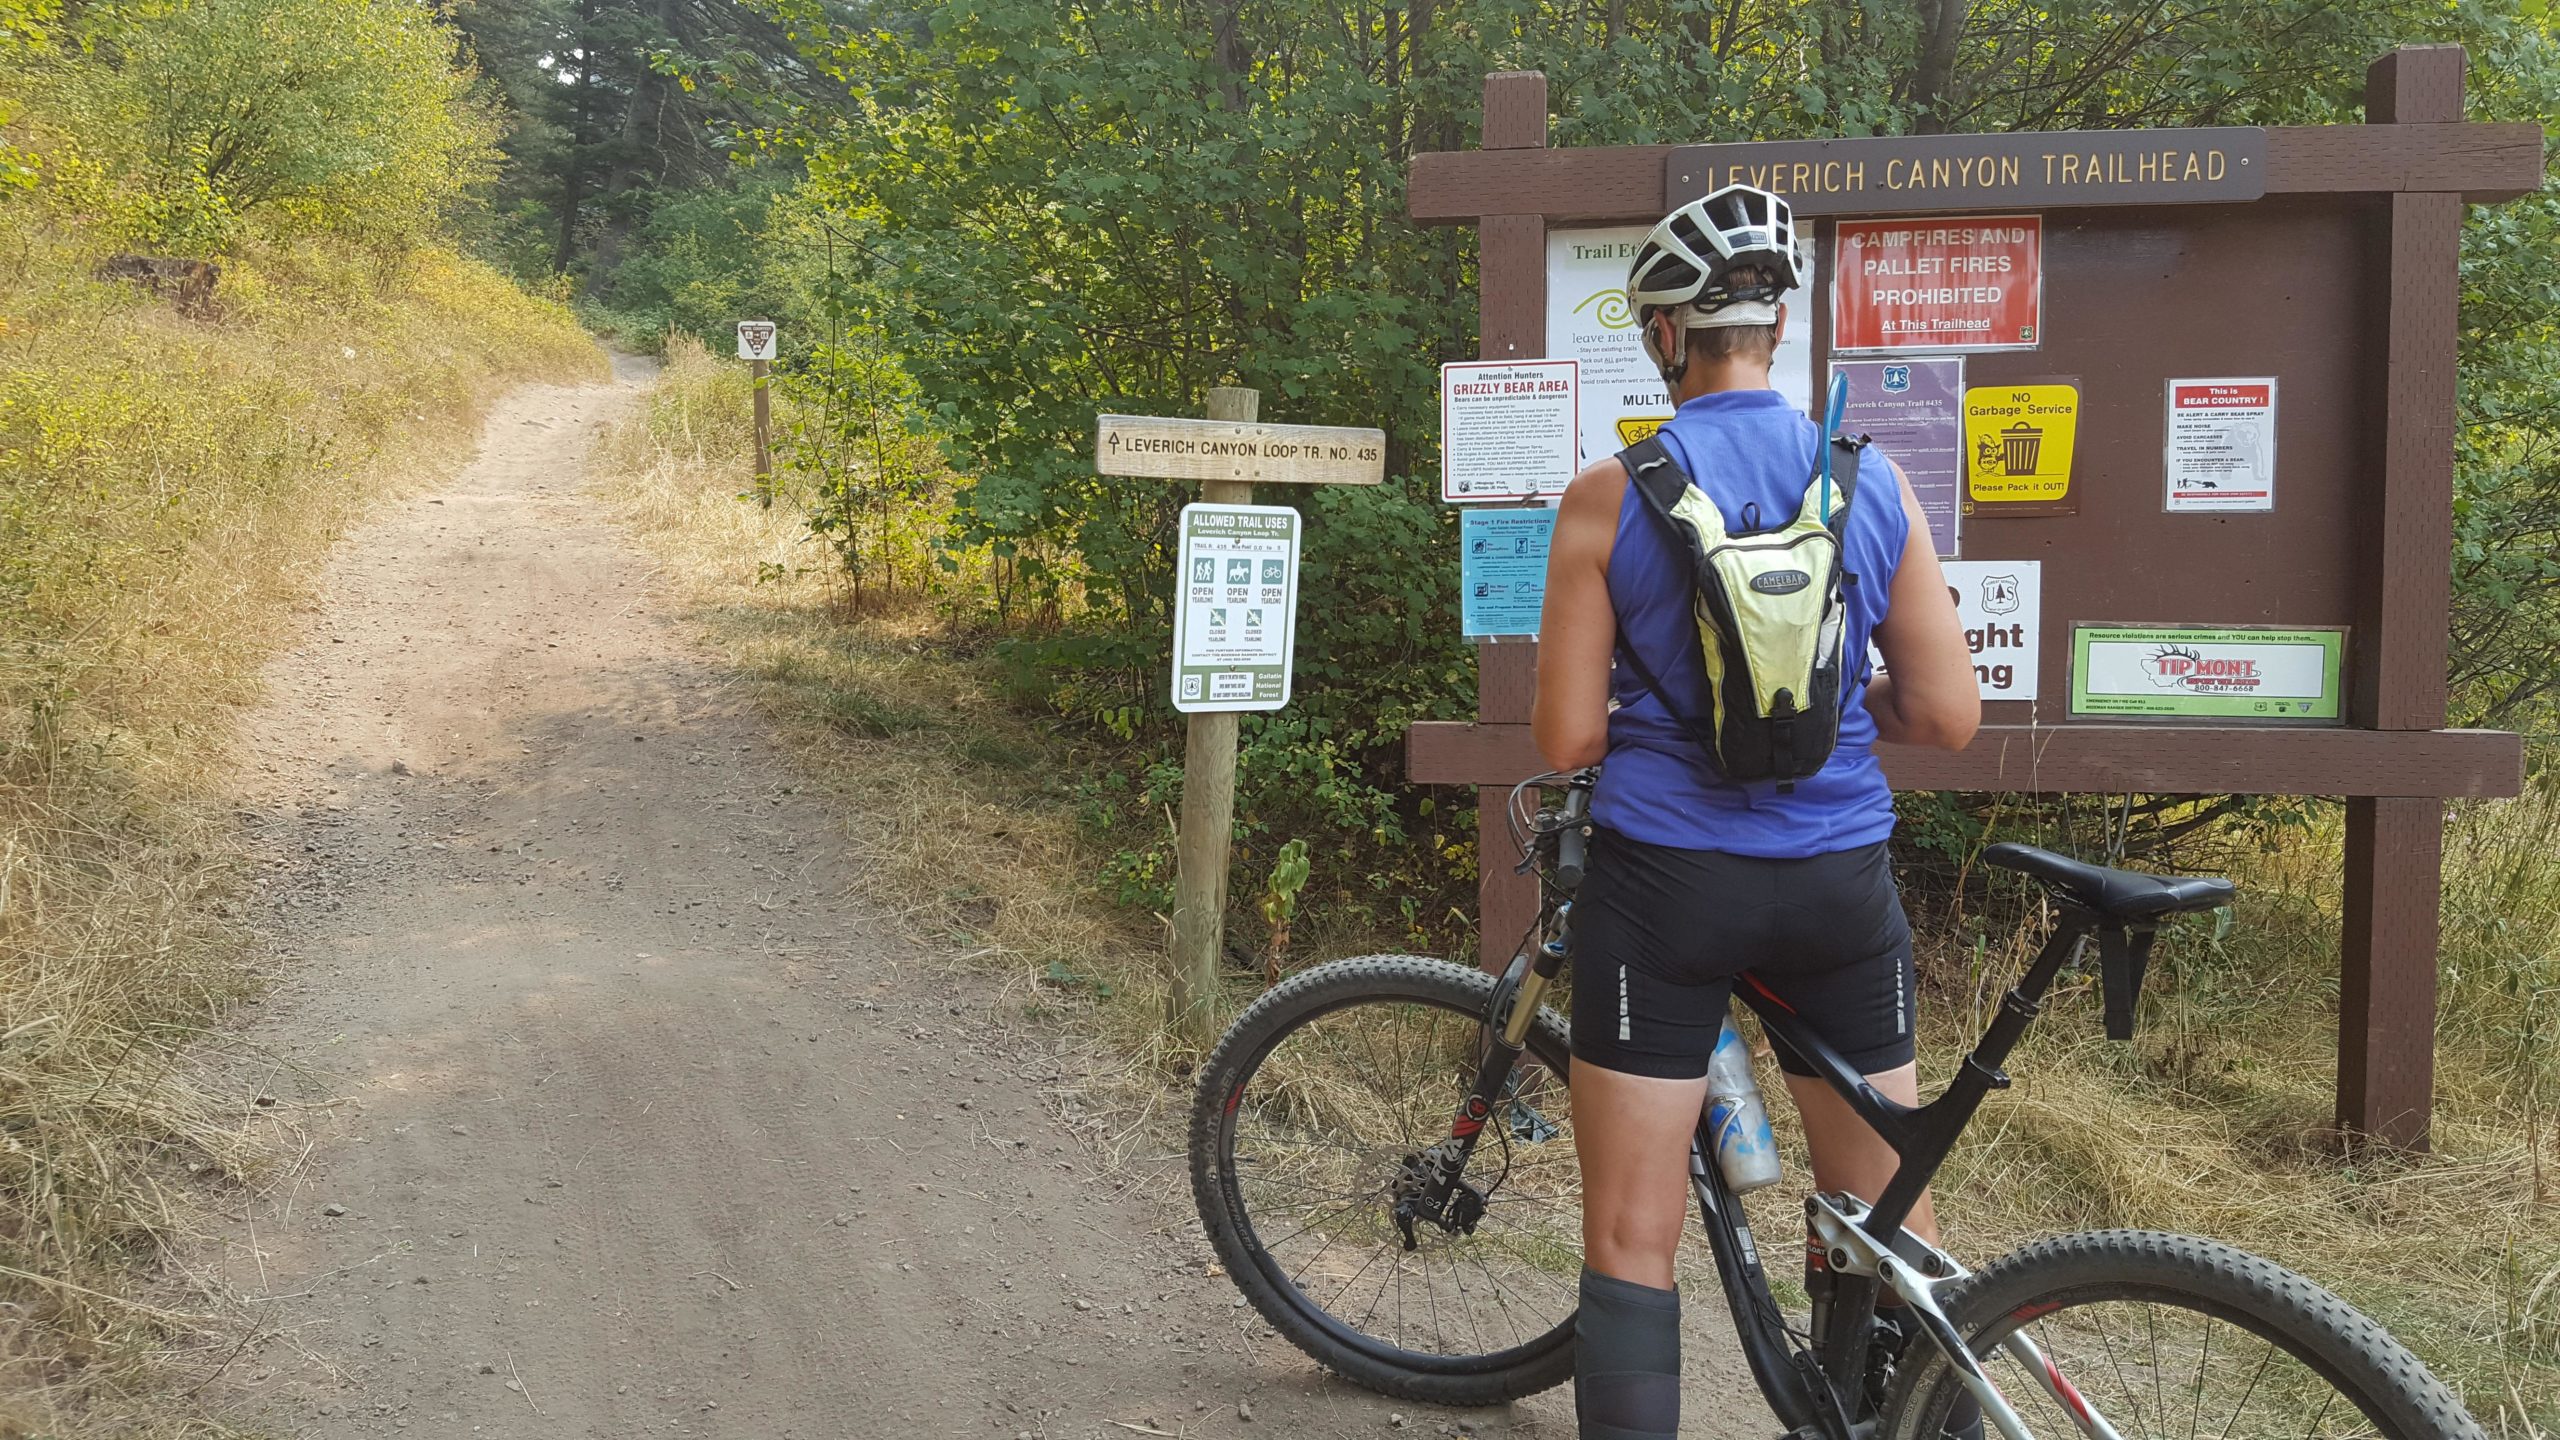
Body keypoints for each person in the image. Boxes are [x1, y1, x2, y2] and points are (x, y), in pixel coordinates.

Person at [1530, 183, 1982, 1440]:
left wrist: (1671, 718)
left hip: (1664, 885)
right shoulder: (1866, 477)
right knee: (1882, 1216)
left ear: (1665, 336)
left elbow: (1566, 737)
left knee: (1632, 1235)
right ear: (1776, 328)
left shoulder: (1611, 493)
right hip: (1838, 882)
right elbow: (1946, 717)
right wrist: (1845, 707)